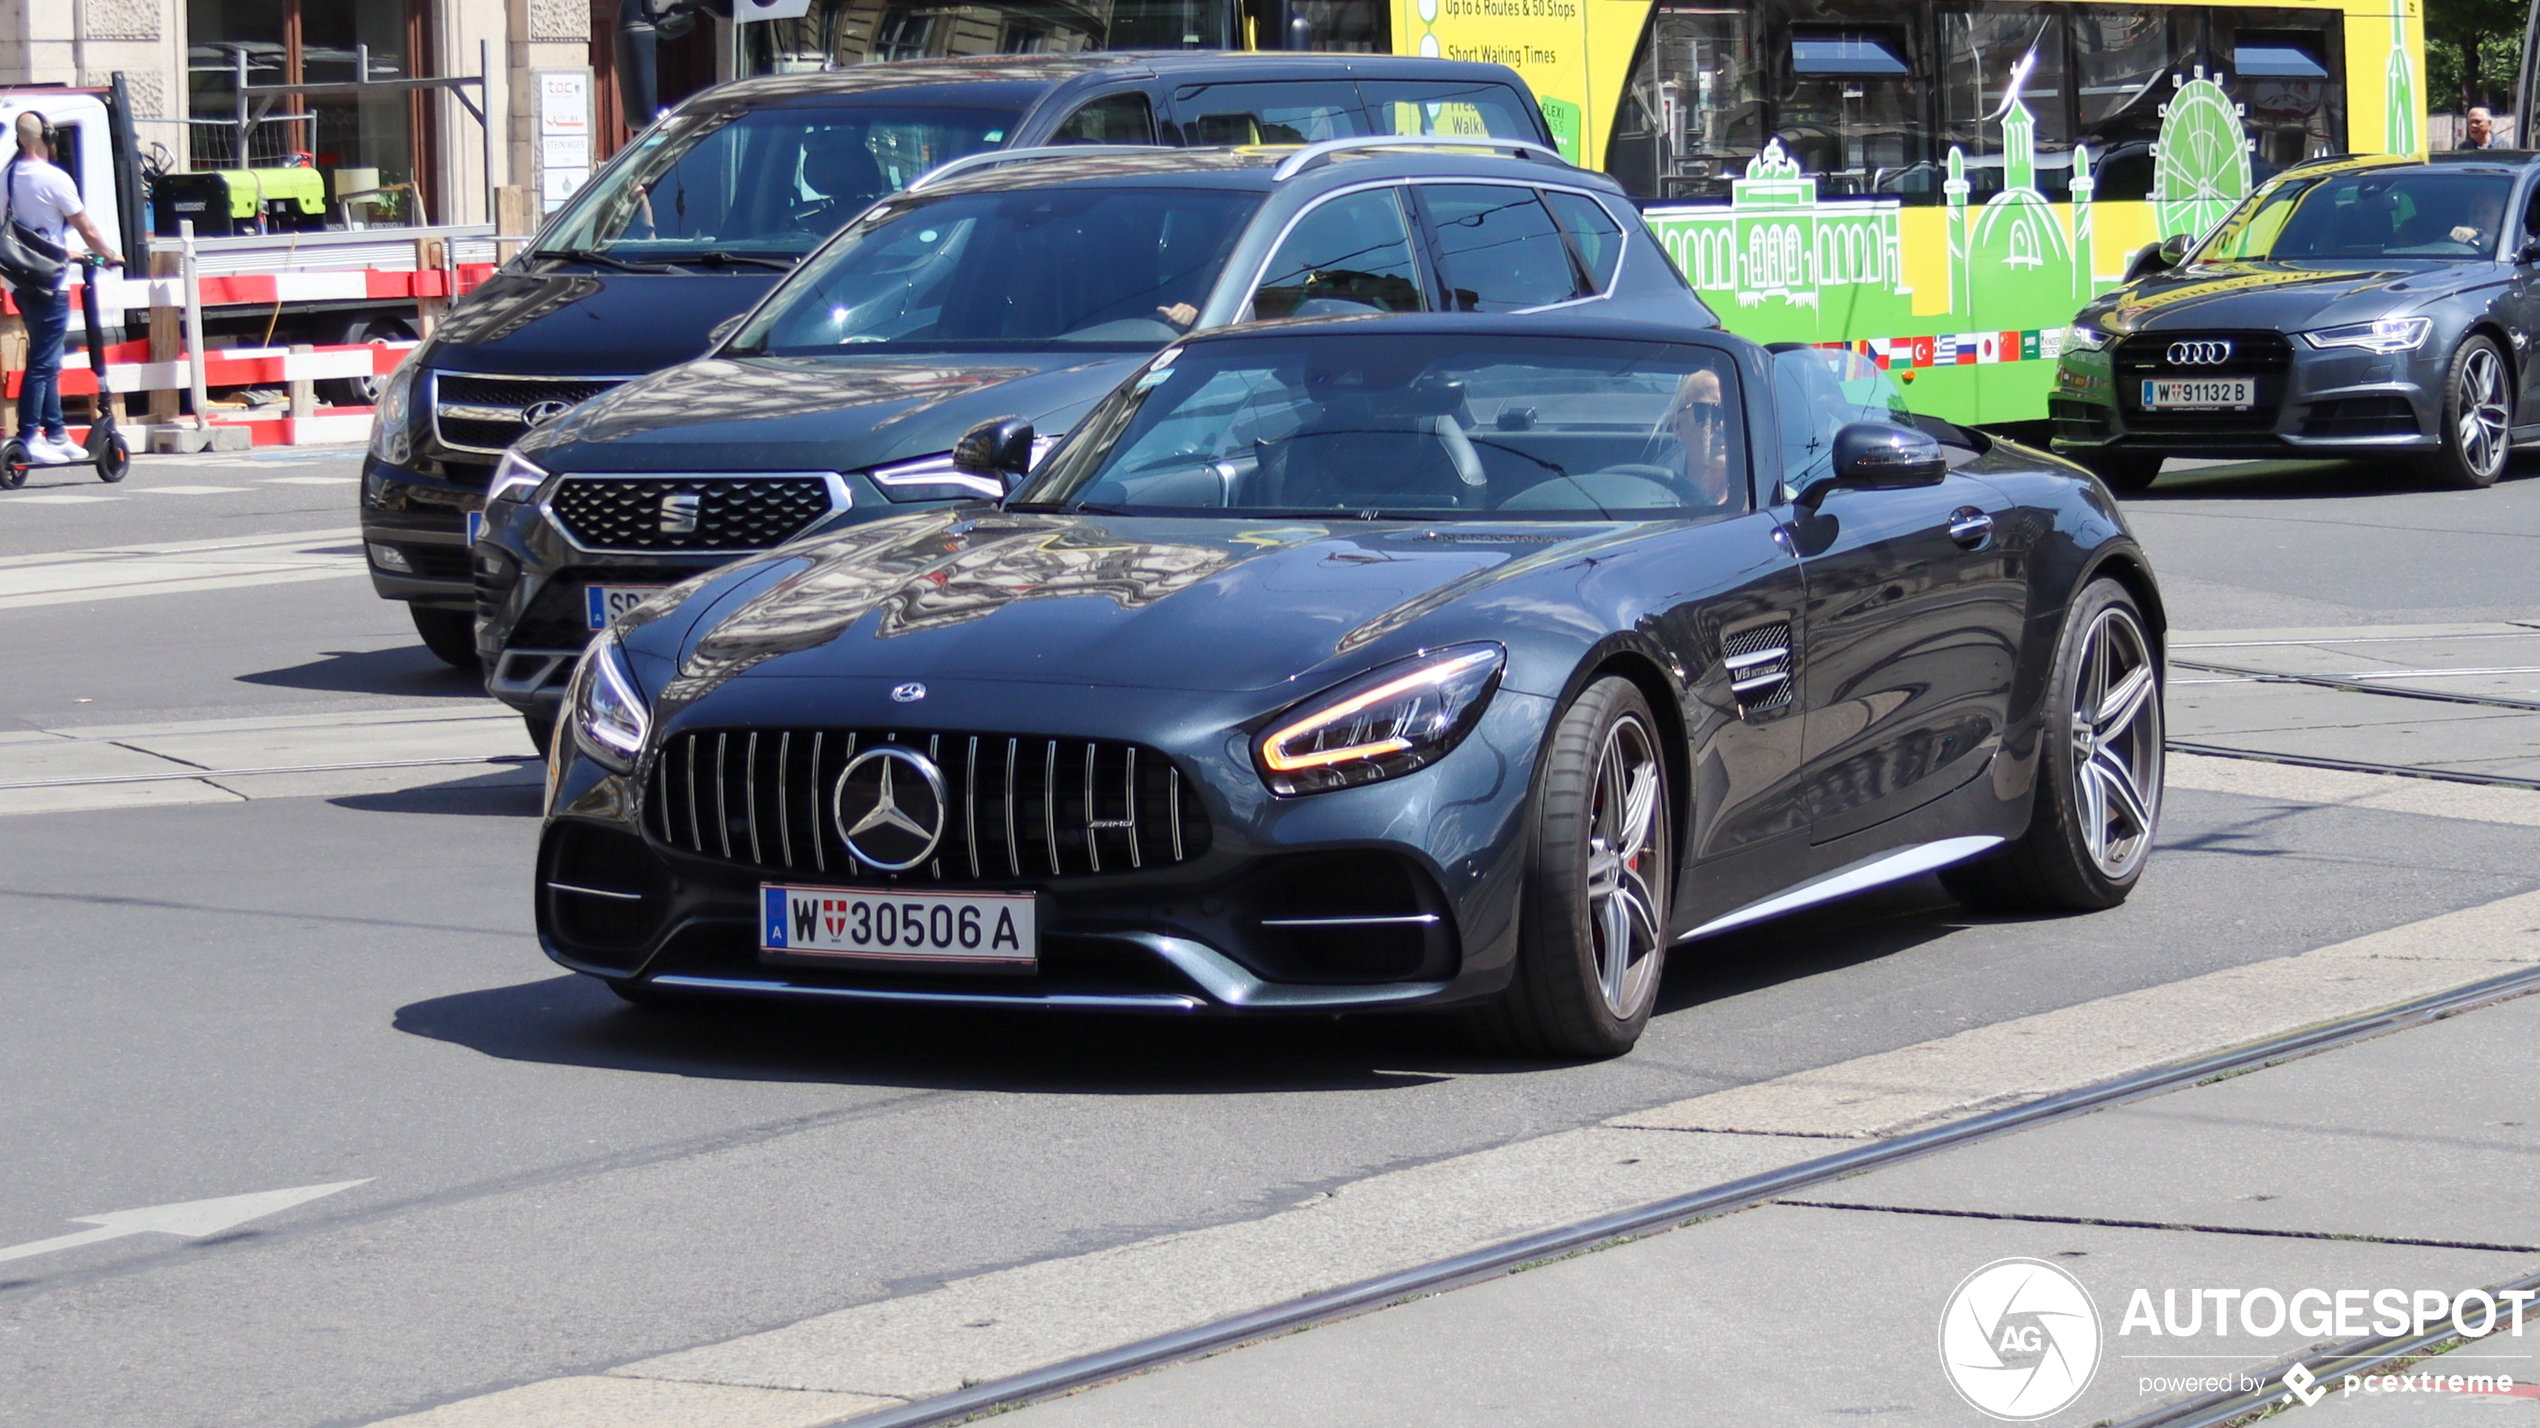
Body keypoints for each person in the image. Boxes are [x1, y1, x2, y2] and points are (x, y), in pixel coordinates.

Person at [7, 112, 124, 464]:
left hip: (20, 279)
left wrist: (59, 249)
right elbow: (85, 226)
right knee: (43, 363)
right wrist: (110, 254)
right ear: (47, 136)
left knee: (49, 359)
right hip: (51, 281)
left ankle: (56, 434)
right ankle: (30, 436)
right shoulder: (54, 178)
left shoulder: (7, 176)